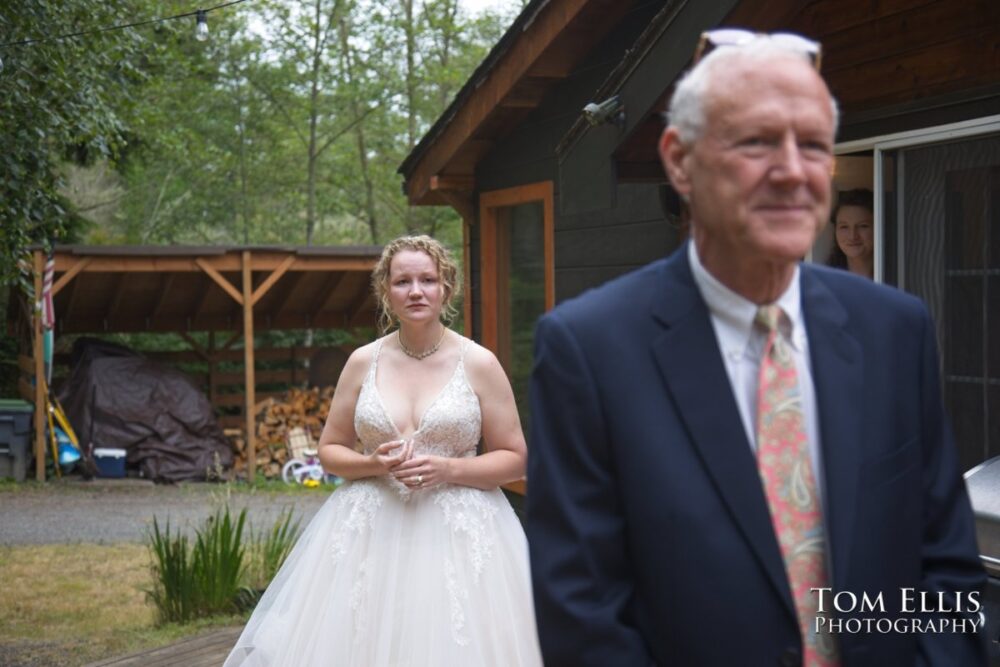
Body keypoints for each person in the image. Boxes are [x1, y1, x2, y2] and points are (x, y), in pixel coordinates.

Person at [527, 30, 985, 667]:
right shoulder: (589, 350)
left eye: (814, 145)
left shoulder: (893, 330)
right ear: (680, 161)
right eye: (757, 142)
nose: (793, 170)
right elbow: (585, 618)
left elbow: (946, 571)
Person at [225, 235, 542, 667]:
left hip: (460, 537)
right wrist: (372, 463)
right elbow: (330, 450)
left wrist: (447, 469)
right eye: (402, 281)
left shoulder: (479, 363)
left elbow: (516, 458)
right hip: (368, 533)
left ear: (446, 288)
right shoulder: (362, 361)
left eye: (428, 280)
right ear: (385, 291)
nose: (416, 291)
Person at [827, 188, 874, 279]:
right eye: (844, 227)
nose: (852, 236)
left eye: (863, 226)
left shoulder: (899, 276)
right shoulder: (825, 280)